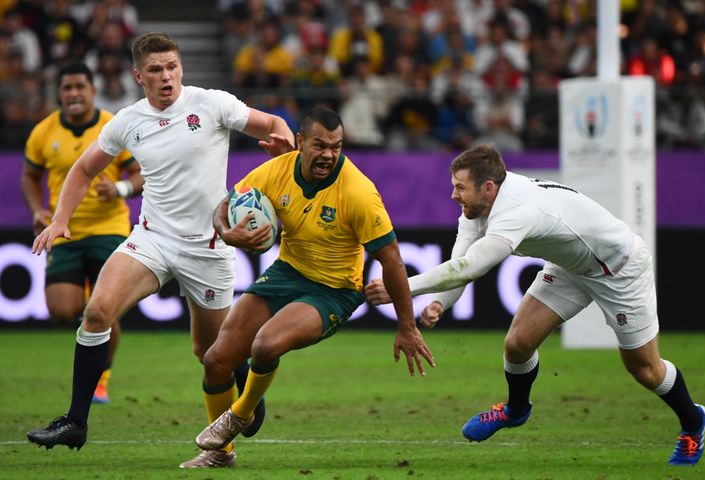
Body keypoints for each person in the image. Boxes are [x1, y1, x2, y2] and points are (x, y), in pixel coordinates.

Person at [26, 32, 296, 462]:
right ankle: (75, 421)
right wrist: (60, 219)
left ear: (181, 68)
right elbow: (81, 170)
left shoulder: (212, 103)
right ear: (139, 76)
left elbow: (274, 124)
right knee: (97, 312)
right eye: (155, 70)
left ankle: (244, 385)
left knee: (210, 354)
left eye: (172, 66)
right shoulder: (127, 122)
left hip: (209, 247)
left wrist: (287, 150)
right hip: (152, 238)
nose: (166, 76)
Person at [364, 144, 705, 466]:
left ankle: (694, 421)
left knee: (644, 368)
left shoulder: (517, 210)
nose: (453, 194)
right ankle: (515, 411)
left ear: (488, 188)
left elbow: (470, 268)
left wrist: (401, 288)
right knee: (518, 343)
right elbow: (461, 262)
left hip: (619, 269)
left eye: (460, 187)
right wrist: (440, 302)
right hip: (570, 268)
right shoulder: (476, 207)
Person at [187, 107, 435, 468]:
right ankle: (220, 455)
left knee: (265, 344)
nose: (328, 154)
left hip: (334, 290)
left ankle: (241, 414)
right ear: (300, 142)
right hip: (288, 272)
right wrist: (227, 232)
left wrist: (406, 325)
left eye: (336, 146)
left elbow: (392, 260)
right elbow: (225, 206)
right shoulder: (277, 170)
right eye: (320, 145)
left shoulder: (358, 192)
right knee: (215, 359)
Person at [21, 61, 143, 405]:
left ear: (92, 90)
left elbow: (140, 174)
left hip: (109, 230)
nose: (74, 93)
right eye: (67, 88)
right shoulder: (43, 132)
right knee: (62, 310)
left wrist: (118, 189)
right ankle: (93, 328)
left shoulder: (113, 126)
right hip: (65, 232)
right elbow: (29, 176)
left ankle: (101, 378)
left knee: (105, 309)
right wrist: (37, 210)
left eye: (80, 87)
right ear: (59, 94)